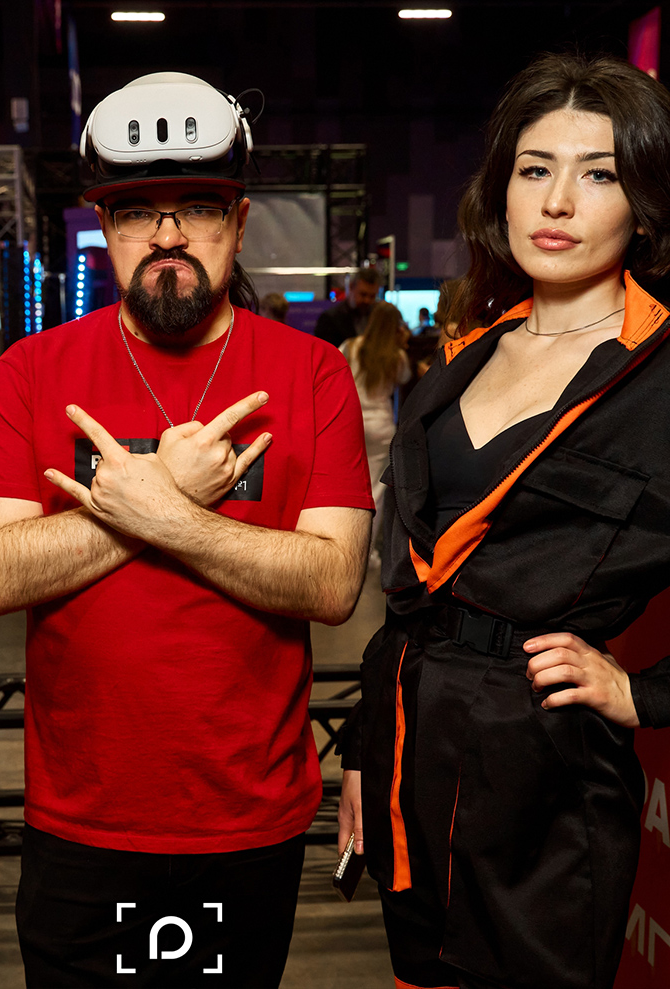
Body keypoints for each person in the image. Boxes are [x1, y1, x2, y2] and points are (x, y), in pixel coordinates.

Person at [0, 71, 374, 987]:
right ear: (105, 228)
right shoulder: (31, 371)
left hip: (246, 820)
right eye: (138, 211)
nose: (169, 234)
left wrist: (165, 514)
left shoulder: (312, 374)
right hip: (82, 821)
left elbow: (333, 583)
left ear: (241, 222)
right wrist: (156, 500)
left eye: (199, 208)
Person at [338, 52, 670, 989]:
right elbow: (409, 592)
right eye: (535, 169)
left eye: (598, 174)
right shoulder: (462, 361)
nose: (557, 201)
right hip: (411, 752)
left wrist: (642, 693)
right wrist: (366, 747)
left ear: (645, 204)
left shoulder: (659, 379)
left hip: (545, 784)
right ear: (502, 189)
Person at [339, 301, 410, 568]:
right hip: (381, 426)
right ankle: (366, 552)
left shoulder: (351, 346)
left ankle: (343, 544)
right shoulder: (397, 356)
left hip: (352, 422)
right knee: (376, 492)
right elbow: (405, 378)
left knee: (349, 485)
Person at [314, 266, 381, 348]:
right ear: (351, 287)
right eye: (363, 294)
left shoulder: (377, 318)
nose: (367, 300)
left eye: (372, 296)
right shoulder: (330, 319)